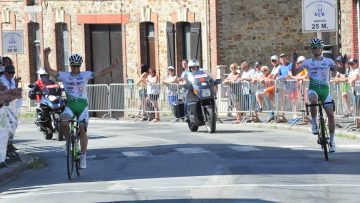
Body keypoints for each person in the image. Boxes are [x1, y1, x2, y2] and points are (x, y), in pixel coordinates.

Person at [43, 47, 119, 168]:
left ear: (80, 66)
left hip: (82, 107)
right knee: (63, 122)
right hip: (70, 106)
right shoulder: (64, 76)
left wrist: (113, 66)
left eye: (78, 66)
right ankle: (69, 142)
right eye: (73, 66)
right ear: (70, 66)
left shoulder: (85, 75)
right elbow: (49, 70)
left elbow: (101, 73)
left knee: (83, 129)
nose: (76, 69)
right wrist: (45, 56)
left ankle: (83, 156)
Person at [300, 38, 337, 153]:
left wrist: (343, 65)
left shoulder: (328, 61)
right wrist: (295, 60)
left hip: (325, 91)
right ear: (312, 49)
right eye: (314, 47)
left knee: (331, 115)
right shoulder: (307, 62)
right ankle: (315, 124)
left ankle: (332, 141)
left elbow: (340, 70)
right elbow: (295, 72)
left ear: (321, 48)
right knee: (314, 99)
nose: (316, 49)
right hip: (313, 89)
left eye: (318, 47)